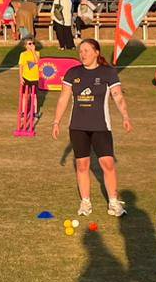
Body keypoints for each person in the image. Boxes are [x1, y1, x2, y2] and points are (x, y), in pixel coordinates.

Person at [49, 37, 132, 217]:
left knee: (107, 163)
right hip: (78, 126)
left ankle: (113, 202)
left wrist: (125, 116)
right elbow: (63, 99)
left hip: (101, 126)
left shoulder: (108, 73)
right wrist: (56, 121)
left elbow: (118, 96)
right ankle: (85, 202)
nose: (83, 54)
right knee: (82, 164)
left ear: (96, 52)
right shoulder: (72, 73)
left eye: (86, 50)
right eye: (81, 51)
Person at [18, 36, 42, 128]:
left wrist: (33, 51)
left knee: (34, 95)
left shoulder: (37, 53)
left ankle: (35, 112)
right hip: (26, 77)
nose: (32, 45)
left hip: (34, 78)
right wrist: (21, 77)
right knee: (25, 95)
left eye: (33, 43)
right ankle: (24, 111)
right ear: (26, 46)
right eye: (30, 44)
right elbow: (21, 66)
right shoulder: (23, 54)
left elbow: (37, 61)